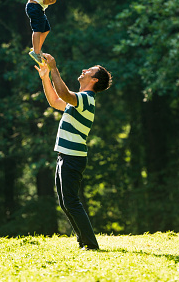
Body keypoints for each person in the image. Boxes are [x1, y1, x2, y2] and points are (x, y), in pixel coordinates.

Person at [35, 53, 112, 250]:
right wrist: (46, 77)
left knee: (71, 202)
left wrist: (54, 69)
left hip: (73, 158)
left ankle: (91, 244)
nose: (84, 71)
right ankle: (83, 241)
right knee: (65, 202)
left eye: (89, 71)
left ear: (94, 80)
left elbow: (64, 94)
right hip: (66, 156)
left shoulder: (86, 99)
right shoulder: (78, 101)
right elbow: (54, 100)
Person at [26, 0, 76, 64]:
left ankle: (36, 49)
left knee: (46, 29)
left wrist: (51, 0)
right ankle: (35, 51)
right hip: (34, 6)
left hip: (38, 7)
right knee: (38, 29)